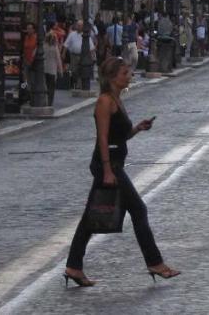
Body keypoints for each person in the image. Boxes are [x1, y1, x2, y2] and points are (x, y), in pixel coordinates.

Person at [64, 57, 178, 287]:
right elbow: (103, 138)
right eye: (126, 73)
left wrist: (137, 128)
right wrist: (107, 170)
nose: (130, 76)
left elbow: (120, 136)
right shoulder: (105, 102)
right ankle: (155, 262)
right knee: (138, 210)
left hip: (114, 163)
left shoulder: (117, 99)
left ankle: (74, 266)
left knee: (90, 218)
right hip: (108, 165)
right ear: (113, 77)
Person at [43, 26, 63, 106]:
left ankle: (44, 101)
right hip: (52, 71)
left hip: (44, 69)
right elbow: (58, 60)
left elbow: (34, 54)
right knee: (51, 88)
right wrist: (60, 71)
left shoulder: (43, 46)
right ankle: (49, 103)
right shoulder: (55, 48)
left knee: (44, 87)